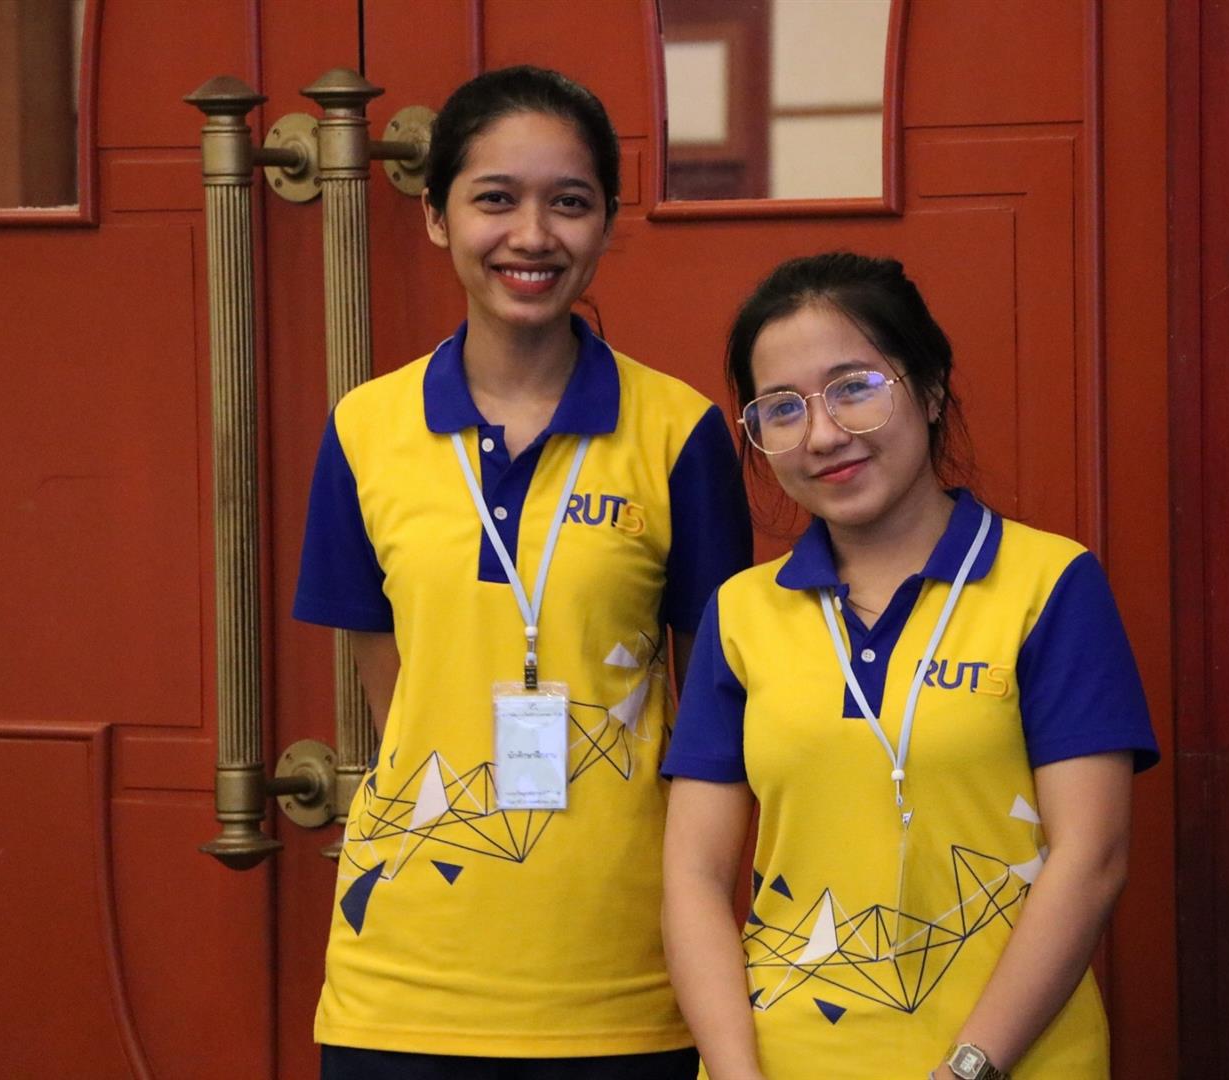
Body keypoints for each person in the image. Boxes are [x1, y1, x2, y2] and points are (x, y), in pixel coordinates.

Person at [293, 65, 752, 1079]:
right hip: (402, 982)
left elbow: (715, 715)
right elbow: (391, 685)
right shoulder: (365, 429)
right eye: (495, 198)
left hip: (624, 980)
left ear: (607, 223)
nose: (532, 235)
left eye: (570, 203)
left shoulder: (679, 433)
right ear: (436, 217)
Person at [662, 253, 1159, 1079]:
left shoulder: (1048, 584)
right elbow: (693, 876)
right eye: (781, 409)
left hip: (1010, 1064)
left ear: (928, 390)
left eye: (854, 388)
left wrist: (968, 1069)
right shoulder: (742, 613)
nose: (823, 435)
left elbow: (1092, 858)